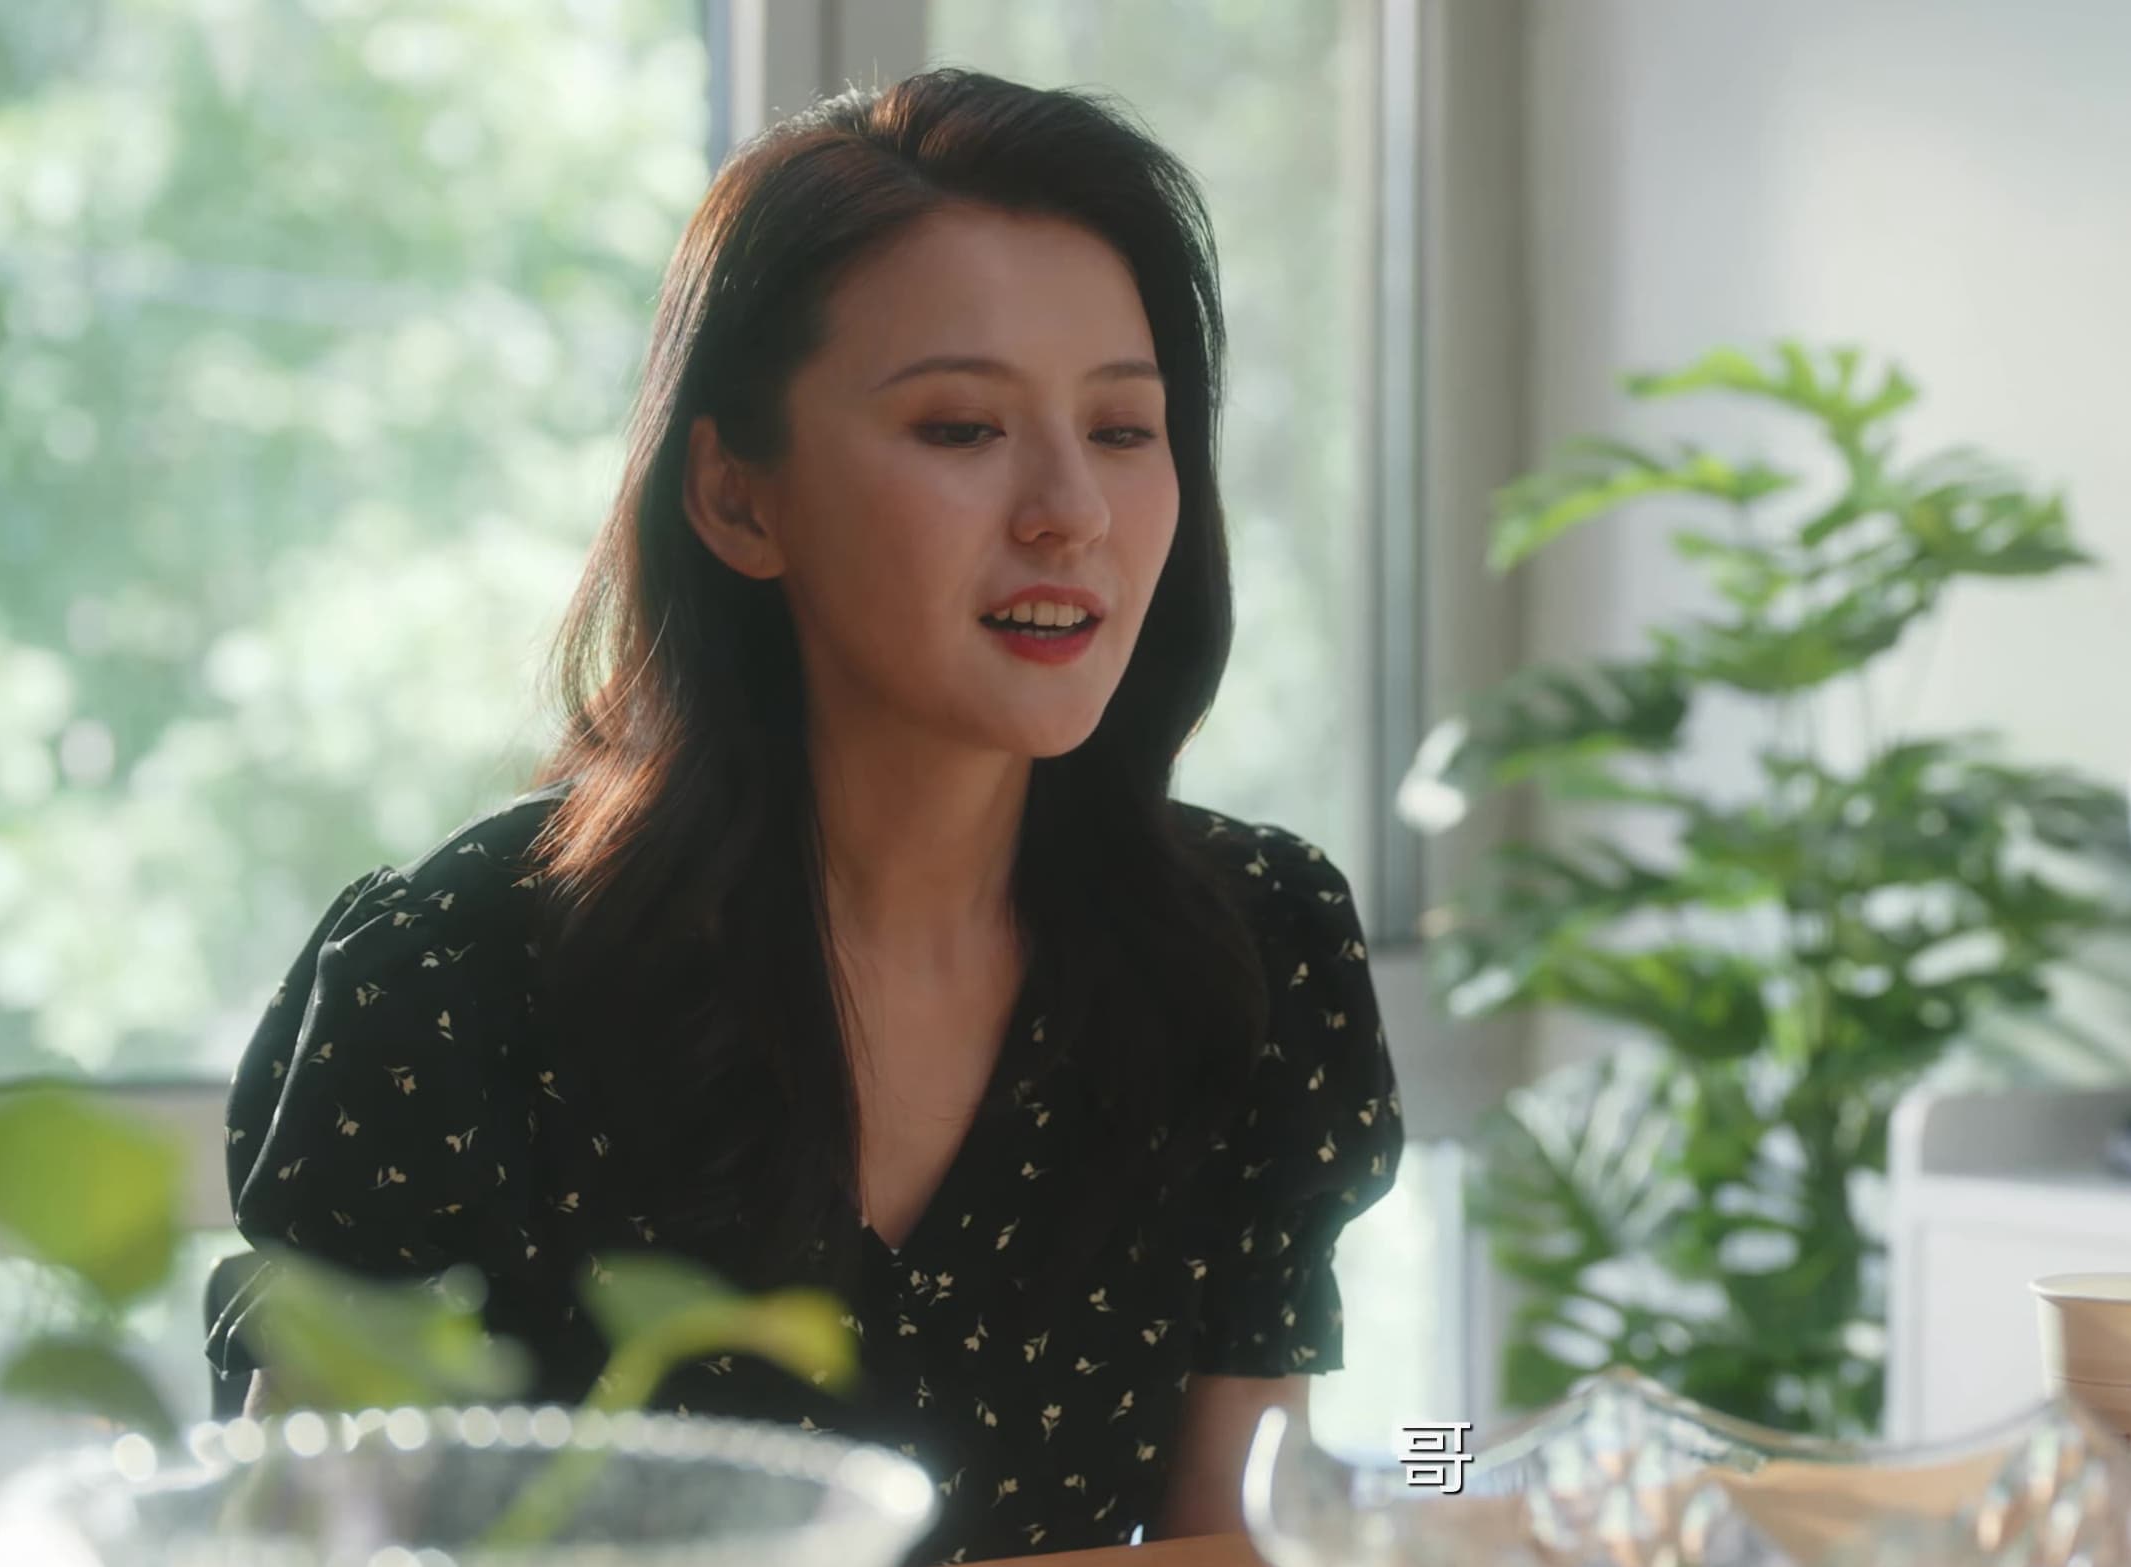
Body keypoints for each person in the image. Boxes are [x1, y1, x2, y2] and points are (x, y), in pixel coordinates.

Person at [215, 69, 1401, 1563]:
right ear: (736, 497)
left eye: (1122, 429)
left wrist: (1480, 1488)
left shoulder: (1256, 948)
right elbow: (288, 1546)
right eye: (962, 428)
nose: (1072, 513)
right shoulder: (453, 980)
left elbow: (1265, 1531)